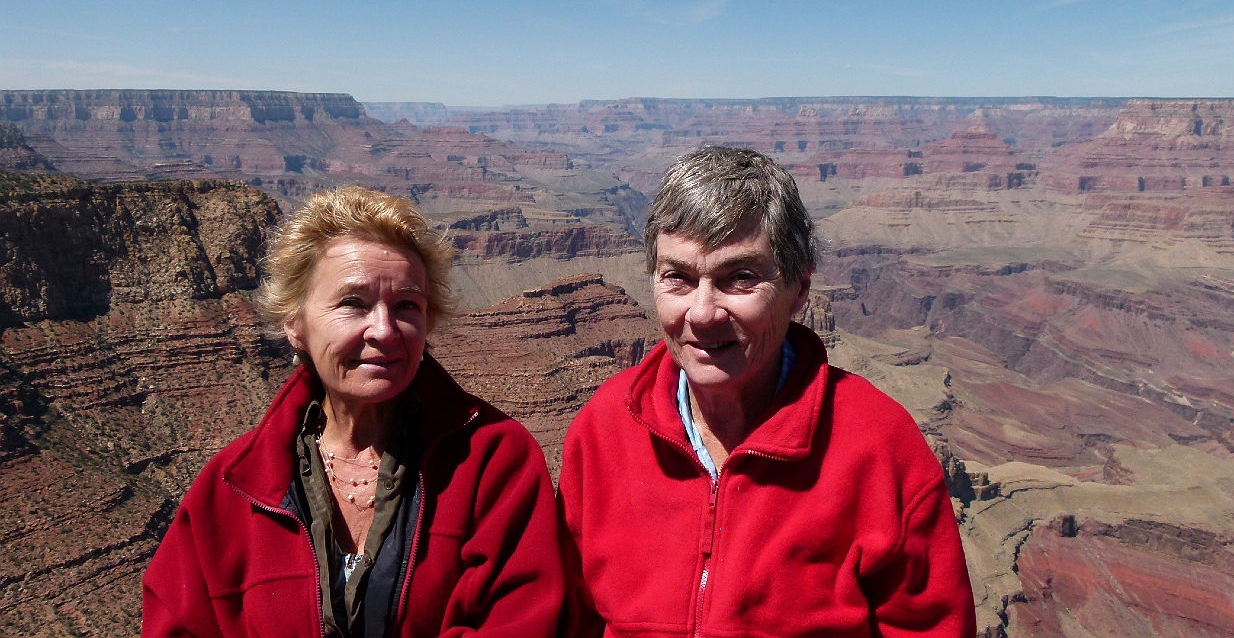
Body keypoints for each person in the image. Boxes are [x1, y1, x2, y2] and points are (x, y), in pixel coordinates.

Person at [557, 147, 975, 637]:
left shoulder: (880, 448)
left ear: (799, 289)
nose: (702, 312)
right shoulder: (606, 425)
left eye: (741, 278)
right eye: (679, 278)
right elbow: (572, 619)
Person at [142, 186, 562, 638]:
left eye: (407, 305)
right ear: (294, 323)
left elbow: (520, 619)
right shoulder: (231, 490)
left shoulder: (495, 463)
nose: (384, 330)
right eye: (352, 303)